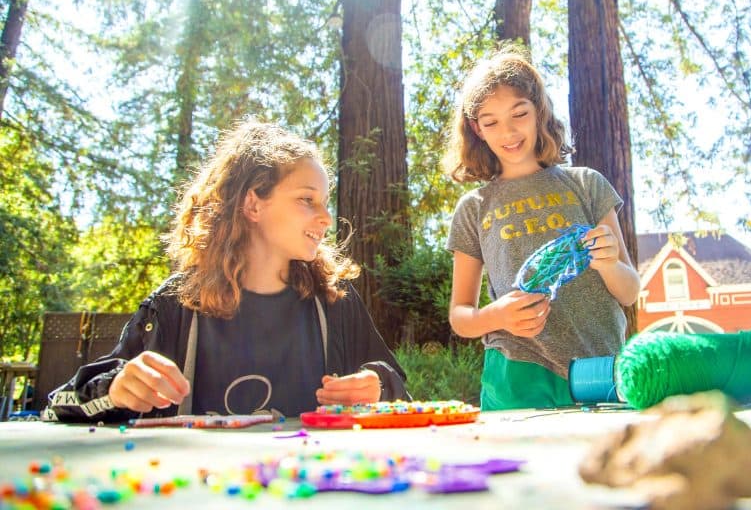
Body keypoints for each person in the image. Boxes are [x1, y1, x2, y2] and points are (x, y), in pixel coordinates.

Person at [44, 120, 409, 422]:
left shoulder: (336, 302)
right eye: (306, 199)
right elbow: (58, 408)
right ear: (253, 203)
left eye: (325, 203)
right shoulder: (173, 306)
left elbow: (404, 398)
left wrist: (378, 387)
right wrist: (115, 389)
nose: (327, 218)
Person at [443, 47, 640, 410]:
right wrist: (496, 316)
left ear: (539, 112)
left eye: (519, 113)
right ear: (476, 130)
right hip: (517, 373)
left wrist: (611, 264)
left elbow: (629, 292)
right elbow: (460, 315)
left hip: (599, 370)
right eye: (491, 122)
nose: (509, 131)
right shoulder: (473, 208)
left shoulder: (587, 184)